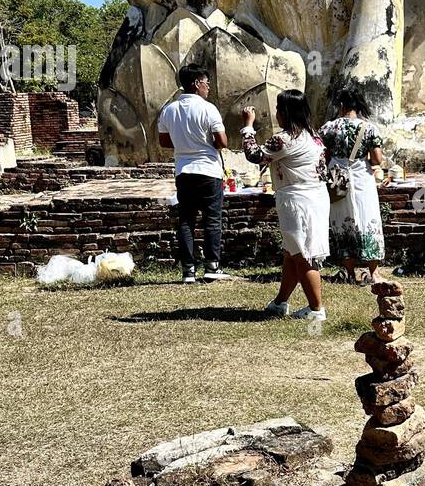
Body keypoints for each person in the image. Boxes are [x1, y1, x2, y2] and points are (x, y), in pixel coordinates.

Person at [240, 91, 329, 320]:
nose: (276, 114)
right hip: (315, 197)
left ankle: (316, 309)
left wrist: (248, 126)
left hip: (296, 200)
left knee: (303, 255)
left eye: (279, 110)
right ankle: (280, 302)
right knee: (292, 252)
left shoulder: (285, 139)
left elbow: (254, 155)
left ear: (285, 112)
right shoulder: (313, 136)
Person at [158, 65, 233, 283]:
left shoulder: (169, 110)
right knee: (212, 219)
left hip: (184, 170)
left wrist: (184, 144)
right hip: (208, 170)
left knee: (186, 221)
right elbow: (222, 142)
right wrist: (203, 143)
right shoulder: (208, 109)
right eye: (206, 83)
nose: (208, 87)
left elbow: (163, 141)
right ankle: (212, 265)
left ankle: (188, 270)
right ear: (196, 84)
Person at [319, 89, 387, 284]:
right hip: (361, 178)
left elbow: (323, 155)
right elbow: (376, 159)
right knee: (368, 219)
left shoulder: (329, 128)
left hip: (338, 179)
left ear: (341, 106)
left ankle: (348, 272)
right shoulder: (370, 128)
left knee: (342, 221)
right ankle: (373, 272)